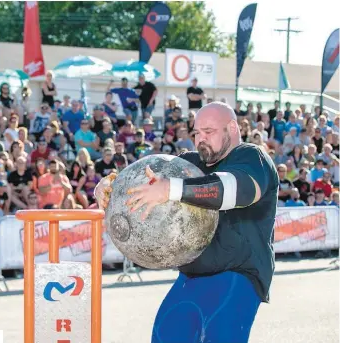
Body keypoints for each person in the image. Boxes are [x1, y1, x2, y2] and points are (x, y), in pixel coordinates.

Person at [94, 101, 278, 343]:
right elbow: (143, 179)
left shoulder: (252, 157)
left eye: (208, 132)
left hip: (238, 275)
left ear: (232, 128)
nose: (200, 138)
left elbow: (235, 190)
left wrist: (171, 188)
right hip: (190, 277)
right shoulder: (190, 161)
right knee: (163, 337)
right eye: (196, 132)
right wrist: (110, 187)